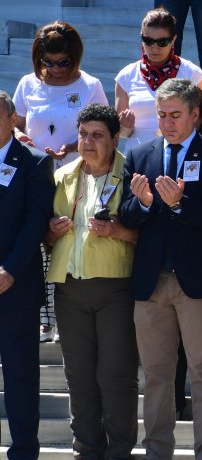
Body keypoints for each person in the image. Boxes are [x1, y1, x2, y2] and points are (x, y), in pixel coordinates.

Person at [118, 78, 202, 460]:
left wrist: (179, 203)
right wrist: (146, 203)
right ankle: (157, 457)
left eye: (175, 115)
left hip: (197, 281)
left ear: (195, 115)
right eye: (162, 115)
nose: (166, 123)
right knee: (156, 373)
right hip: (151, 281)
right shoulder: (141, 153)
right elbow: (126, 216)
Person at [44, 104, 139, 460]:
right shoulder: (64, 175)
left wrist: (118, 231)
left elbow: (146, 233)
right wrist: (51, 230)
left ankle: (118, 455)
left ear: (116, 139)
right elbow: (46, 236)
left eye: (98, 135)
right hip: (69, 287)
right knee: (79, 375)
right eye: (84, 134)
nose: (88, 142)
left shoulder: (133, 172)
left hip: (115, 285)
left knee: (115, 374)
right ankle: (87, 453)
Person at [13, 21, 108, 344]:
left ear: (75, 57)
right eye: (47, 63)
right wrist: (25, 139)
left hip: (75, 175)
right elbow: (15, 125)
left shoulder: (90, 85)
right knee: (36, 242)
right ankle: (44, 318)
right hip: (35, 175)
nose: (54, 69)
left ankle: (66, 317)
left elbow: (104, 130)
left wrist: (74, 147)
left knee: (65, 240)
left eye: (62, 62)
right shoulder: (27, 84)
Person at [0, 90, 55, 460]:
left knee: (20, 374)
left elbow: (35, 223)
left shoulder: (34, 162)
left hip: (14, 286)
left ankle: (22, 457)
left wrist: (9, 270)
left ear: (11, 118)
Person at [115, 8, 202, 155]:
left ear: (174, 40)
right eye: (148, 41)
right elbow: (123, 134)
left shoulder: (192, 73)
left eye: (162, 42)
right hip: (139, 157)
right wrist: (124, 126)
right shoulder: (126, 75)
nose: (155, 47)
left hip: (180, 154)